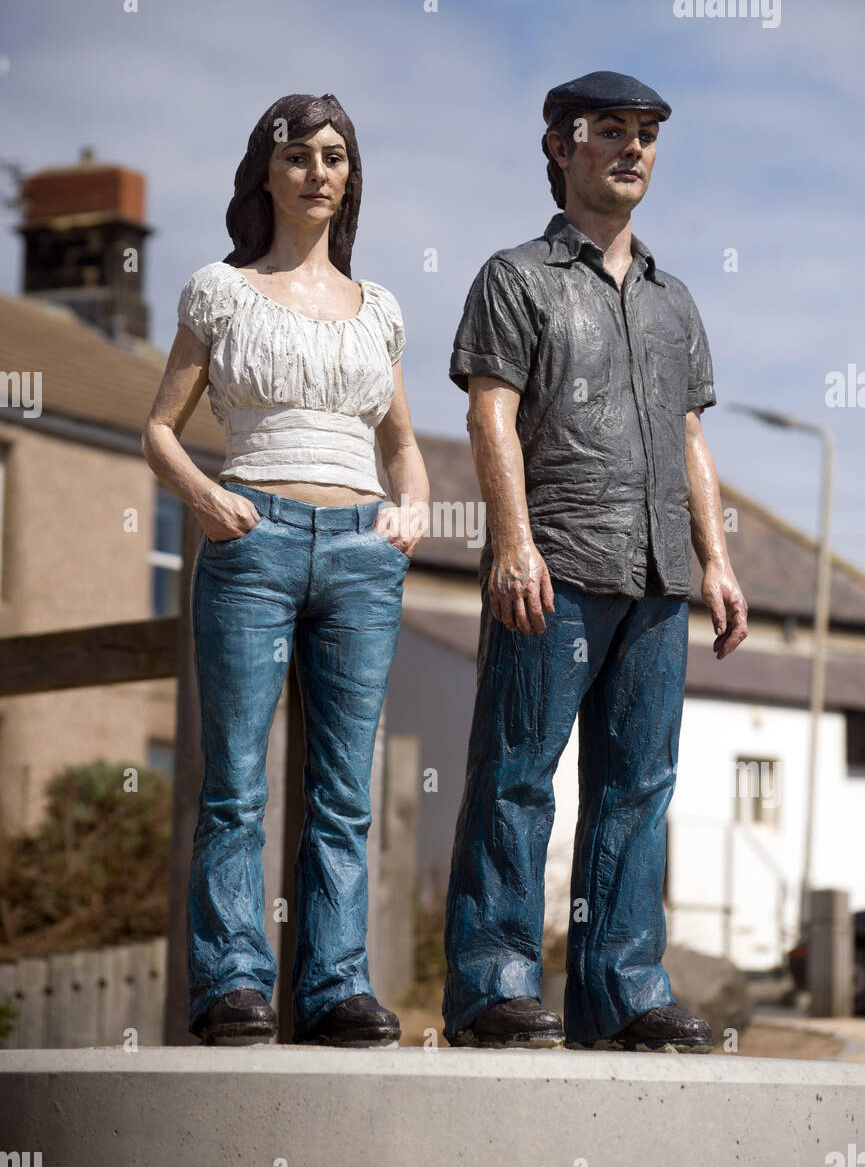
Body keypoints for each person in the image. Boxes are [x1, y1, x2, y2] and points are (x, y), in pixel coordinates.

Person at [443, 71, 748, 1052]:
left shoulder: (674, 299)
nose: (632, 148)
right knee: (515, 778)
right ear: (559, 148)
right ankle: (493, 986)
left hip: (659, 582)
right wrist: (514, 542)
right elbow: (490, 414)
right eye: (609, 130)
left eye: (646, 133)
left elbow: (689, 436)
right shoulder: (514, 276)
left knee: (637, 789)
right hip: (555, 570)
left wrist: (718, 560)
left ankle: (621, 995)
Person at [142, 93, 429, 1047]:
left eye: (335, 156)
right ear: (264, 173)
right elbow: (158, 428)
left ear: (351, 178)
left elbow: (401, 442)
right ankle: (232, 984)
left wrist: (413, 510)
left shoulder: (377, 308)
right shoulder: (219, 292)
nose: (317, 170)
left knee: (343, 790)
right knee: (235, 782)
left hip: (360, 553)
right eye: (297, 154)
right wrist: (208, 497)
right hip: (251, 539)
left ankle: (336, 986)